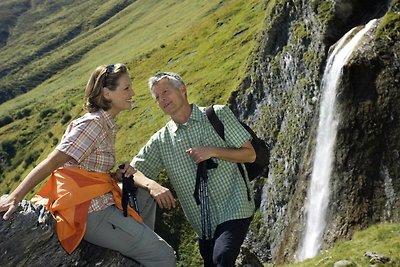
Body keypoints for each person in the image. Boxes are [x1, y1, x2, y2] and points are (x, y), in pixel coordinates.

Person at [0, 64, 176, 267]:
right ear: (107, 93)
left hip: (100, 199)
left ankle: (140, 247)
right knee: (164, 256)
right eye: (126, 88)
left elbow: (82, 168)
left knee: (145, 195)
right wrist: (15, 197)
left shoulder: (105, 125)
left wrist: (113, 174)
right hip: (91, 211)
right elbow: (52, 162)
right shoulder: (93, 124)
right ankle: (148, 250)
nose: (133, 93)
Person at [125, 72, 256, 266]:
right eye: (157, 97)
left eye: (165, 92)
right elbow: (128, 171)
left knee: (222, 257)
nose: (162, 100)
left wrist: (212, 151)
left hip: (235, 206)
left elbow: (250, 154)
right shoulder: (161, 141)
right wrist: (152, 186)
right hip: (203, 226)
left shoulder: (217, 114)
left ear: (182, 89)